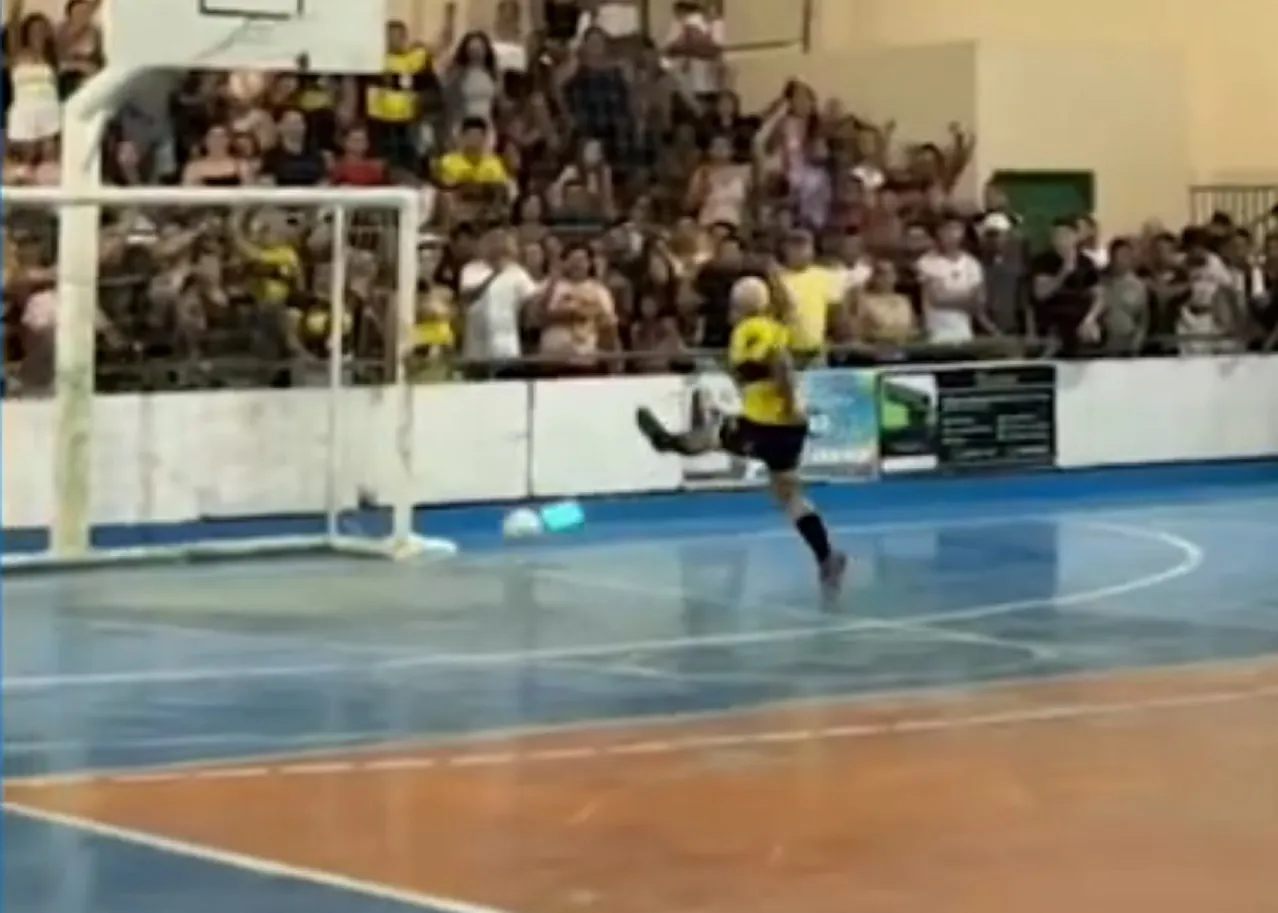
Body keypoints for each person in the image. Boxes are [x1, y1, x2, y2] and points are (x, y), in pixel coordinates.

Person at [634, 275, 847, 603]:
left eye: (734, 302)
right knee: (787, 495)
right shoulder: (760, 330)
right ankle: (826, 557)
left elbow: (779, 364)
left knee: (713, 436)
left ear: (742, 305)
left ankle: (669, 443)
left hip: (767, 422)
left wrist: (787, 404)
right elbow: (750, 369)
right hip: (786, 428)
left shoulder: (753, 329)